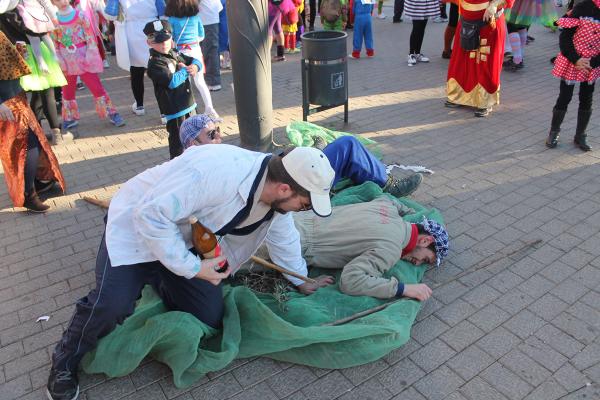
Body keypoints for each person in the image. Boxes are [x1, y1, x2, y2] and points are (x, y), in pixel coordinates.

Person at [45, 145, 335, 400]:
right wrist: (194, 268)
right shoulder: (216, 172)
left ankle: (162, 274)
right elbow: (149, 216)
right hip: (137, 227)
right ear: (285, 188)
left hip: (183, 240)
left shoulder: (276, 198)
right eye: (304, 203)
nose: (301, 210)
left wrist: (299, 279)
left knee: (208, 315)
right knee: (112, 305)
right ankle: (64, 361)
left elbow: (284, 238)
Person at [179, 114, 424, 198]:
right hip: (286, 186)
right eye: (212, 134)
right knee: (347, 145)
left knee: (296, 151)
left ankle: (315, 151)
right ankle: (387, 184)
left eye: (219, 131)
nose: (219, 137)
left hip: (276, 174)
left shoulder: (208, 157)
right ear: (192, 143)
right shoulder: (203, 167)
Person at [292, 197, 449, 298]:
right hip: (286, 245)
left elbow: (390, 199)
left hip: (290, 218)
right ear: (425, 241)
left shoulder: (387, 208)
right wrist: (403, 289)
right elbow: (350, 281)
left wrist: (408, 211)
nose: (417, 263)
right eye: (426, 259)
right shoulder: (391, 249)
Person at [0, 30, 66, 212]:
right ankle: (29, 194)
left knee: (31, 144)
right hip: (7, 106)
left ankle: (36, 183)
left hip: (16, 99)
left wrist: (18, 54)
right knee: (28, 147)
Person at [0, 1, 70, 144]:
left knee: (26, 97)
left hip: (16, 53)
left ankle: (36, 134)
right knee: (46, 92)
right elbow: (33, 28)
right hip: (34, 51)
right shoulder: (19, 7)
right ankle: (53, 133)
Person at [50, 0, 125, 129]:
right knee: (67, 90)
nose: (62, 1)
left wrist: (90, 54)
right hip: (66, 60)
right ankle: (69, 117)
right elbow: (55, 42)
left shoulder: (80, 15)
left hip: (83, 57)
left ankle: (112, 112)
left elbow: (90, 37)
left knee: (96, 86)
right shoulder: (54, 21)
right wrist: (58, 57)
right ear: (53, 2)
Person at [445, 0, 514, 117]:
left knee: (485, 63)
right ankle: (458, 96)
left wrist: (494, 5)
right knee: (461, 61)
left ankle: (484, 101)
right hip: (466, 19)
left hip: (488, 21)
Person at [545, 0, 599, 151]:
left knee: (587, 99)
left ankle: (580, 135)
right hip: (573, 60)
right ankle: (554, 132)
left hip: (591, 64)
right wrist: (576, 59)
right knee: (564, 97)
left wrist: (593, 62)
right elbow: (565, 37)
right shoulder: (582, 7)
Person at [144, 19, 201, 159]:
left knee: (197, 139)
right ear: (149, 42)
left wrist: (195, 66)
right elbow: (172, 82)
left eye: (166, 40)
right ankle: (177, 170)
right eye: (159, 41)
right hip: (175, 111)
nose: (164, 44)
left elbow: (194, 60)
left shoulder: (173, 52)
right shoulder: (155, 63)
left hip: (189, 105)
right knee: (178, 147)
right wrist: (186, 71)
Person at [104, 0, 164, 116]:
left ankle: (139, 105)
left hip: (131, 31)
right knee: (158, 72)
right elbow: (163, 11)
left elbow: (110, 14)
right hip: (153, 29)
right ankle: (164, 111)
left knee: (136, 72)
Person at [165, 0, 221, 121]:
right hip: (195, 51)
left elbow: (171, 39)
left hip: (180, 54)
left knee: (185, 83)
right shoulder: (196, 18)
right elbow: (201, 36)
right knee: (200, 82)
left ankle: (190, 112)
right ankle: (210, 108)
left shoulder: (172, 20)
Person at [405, 0, 439, 66]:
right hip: (416, 3)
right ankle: (411, 54)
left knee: (422, 28)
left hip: (427, 3)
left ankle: (418, 53)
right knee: (416, 28)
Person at [198, 0, 222, 91]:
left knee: (210, 51)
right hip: (208, 15)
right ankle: (211, 81)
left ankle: (213, 81)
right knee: (210, 50)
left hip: (206, 16)